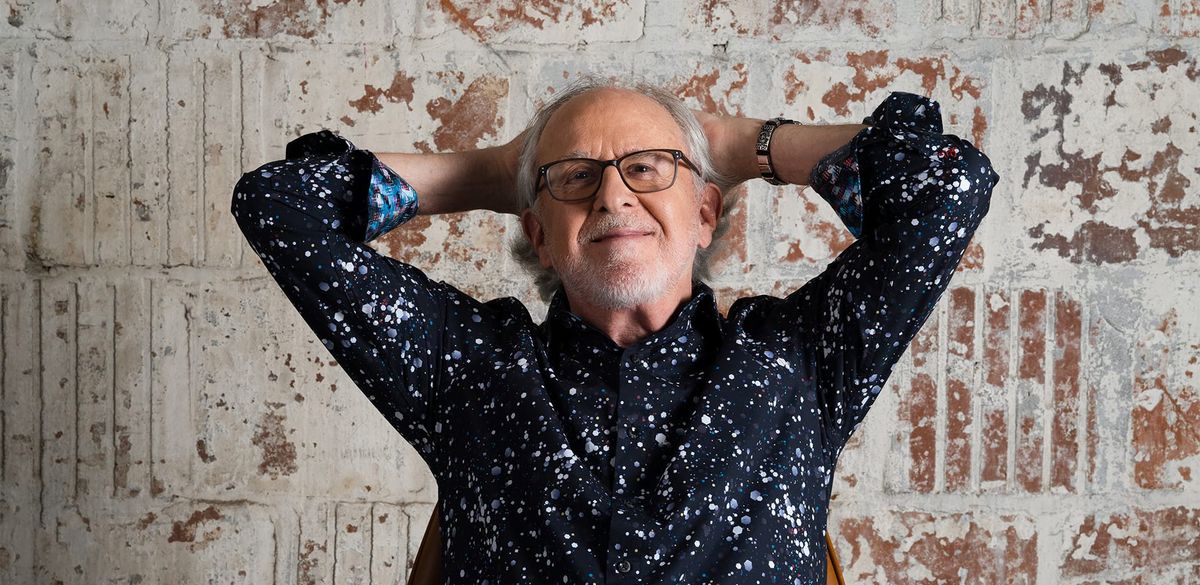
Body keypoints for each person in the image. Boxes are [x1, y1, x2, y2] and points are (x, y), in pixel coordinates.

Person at [230, 76, 998, 583]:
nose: (612, 196)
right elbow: (279, 205)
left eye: (649, 167)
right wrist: (495, 172)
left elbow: (948, 182)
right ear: (537, 233)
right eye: (575, 175)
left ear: (705, 213)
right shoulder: (468, 368)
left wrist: (746, 146)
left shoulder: (797, 363)